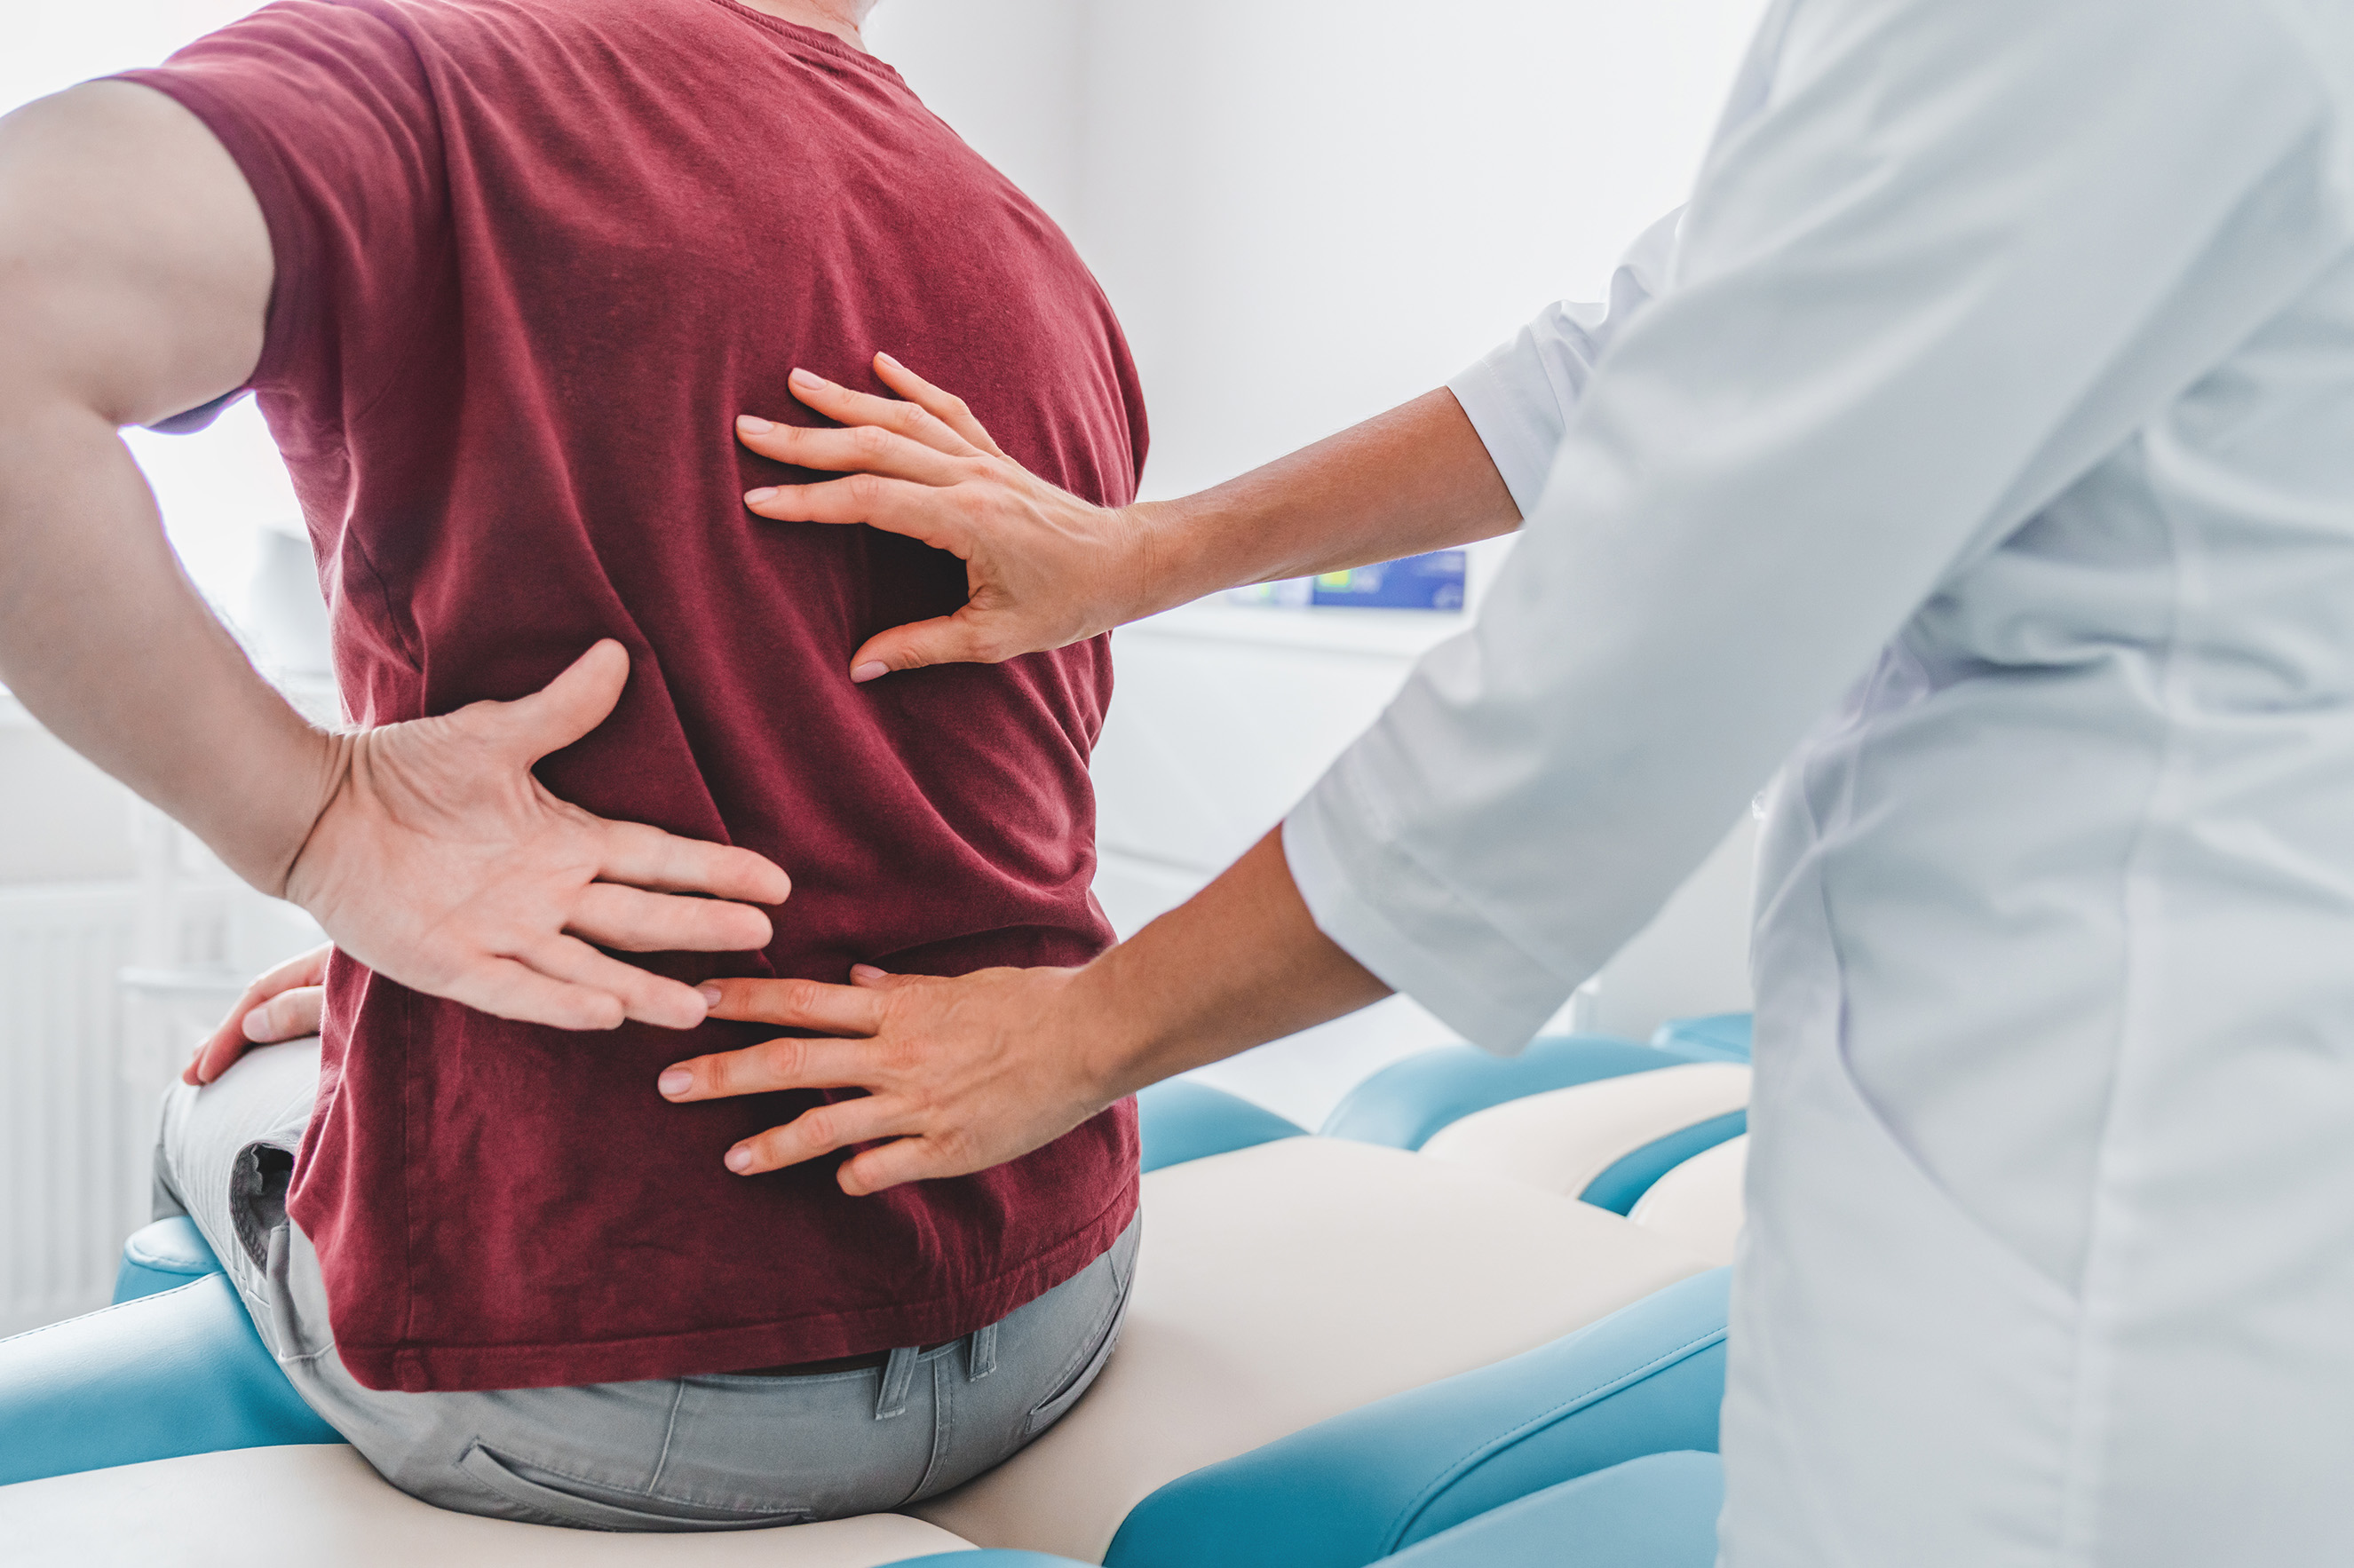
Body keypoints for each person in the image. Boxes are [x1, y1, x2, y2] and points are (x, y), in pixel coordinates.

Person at [641, 1, 2354, 1561]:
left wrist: (1070, 1043)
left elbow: (1590, 722)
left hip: (2116, 1186)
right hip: (2010, 1077)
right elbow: (1620, 359)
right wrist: (1141, 555)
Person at [0, 0, 1145, 1530]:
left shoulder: (437, 77)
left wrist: (316, 828)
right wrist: (370, 965)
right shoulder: (1043, 261)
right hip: (1058, 1285)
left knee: (205, 1105)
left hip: (608, 1385)